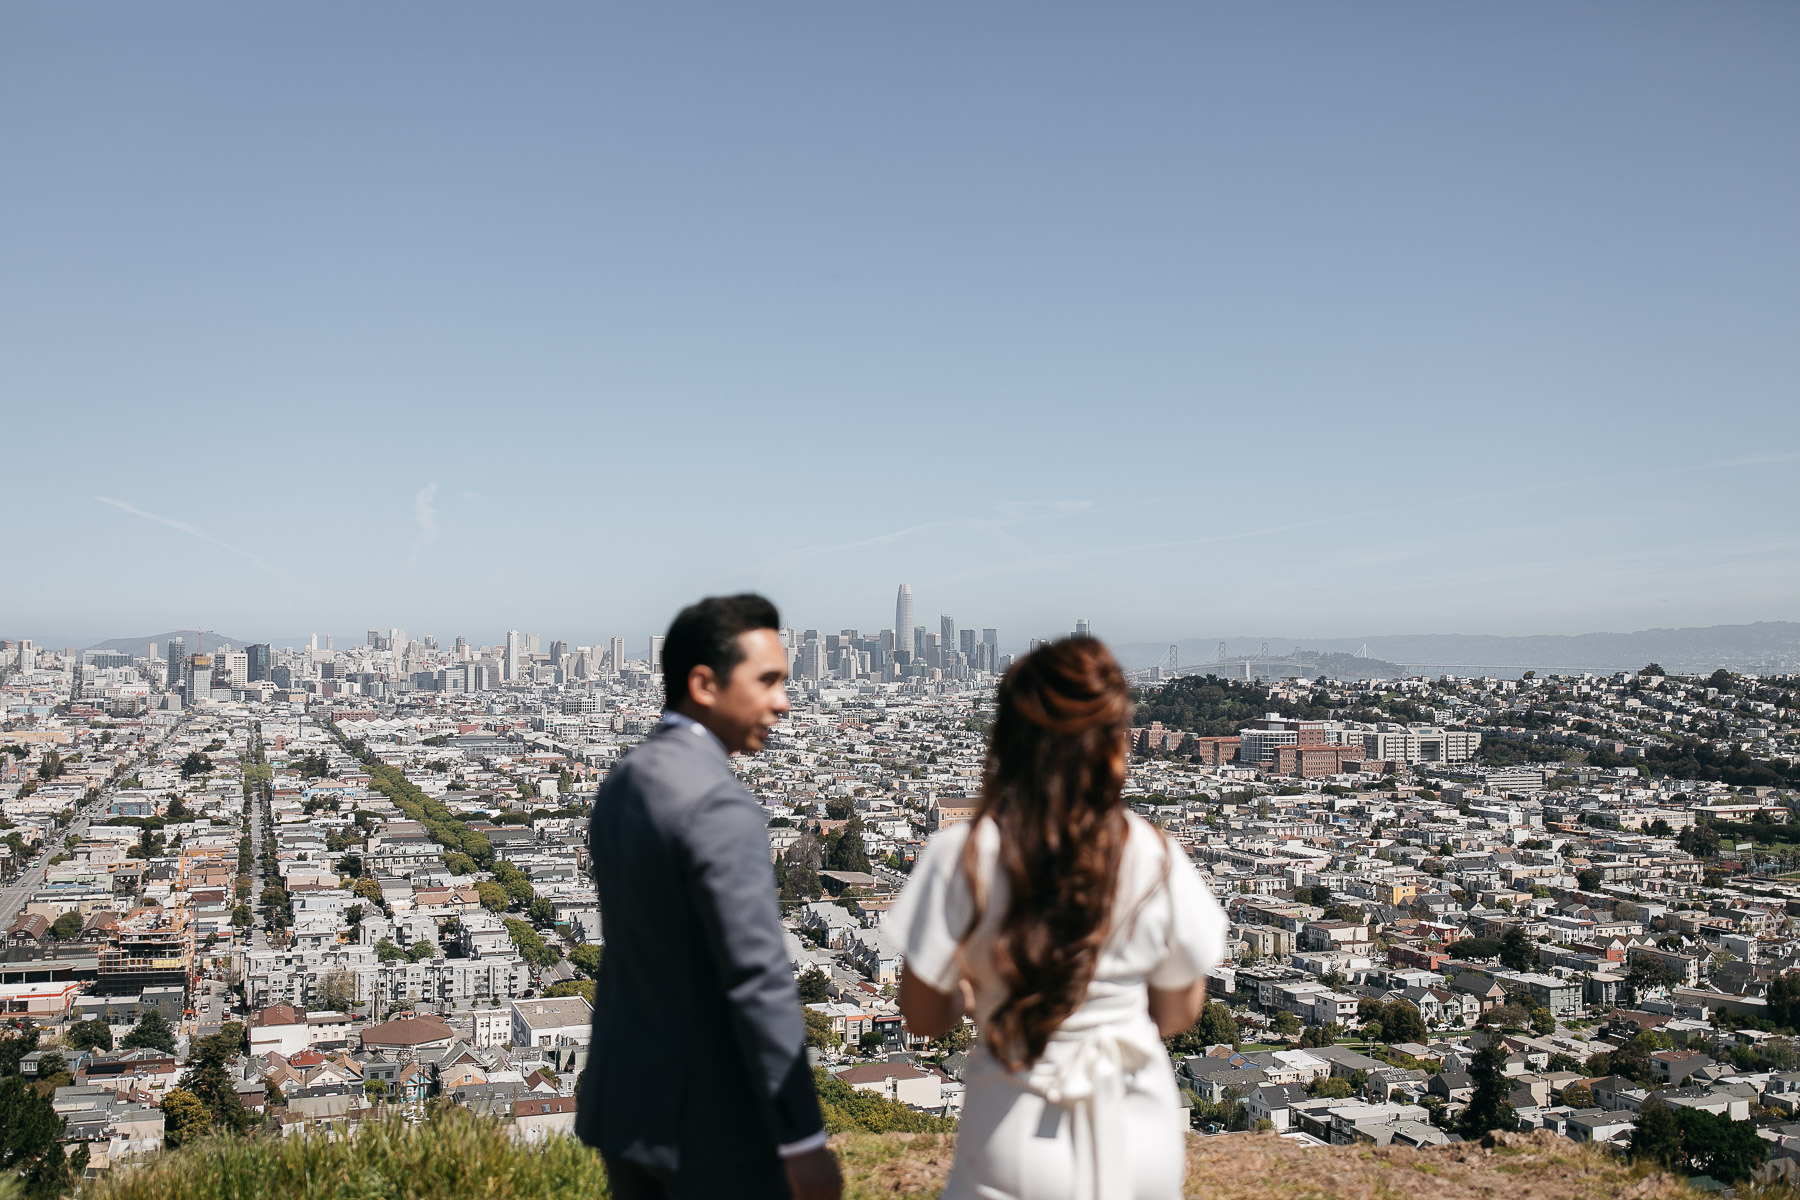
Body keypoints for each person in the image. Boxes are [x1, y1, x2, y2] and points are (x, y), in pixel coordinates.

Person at [887, 637, 1227, 1200]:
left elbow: (922, 1016)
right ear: (1114, 743)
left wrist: (981, 995)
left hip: (1014, 1129)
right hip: (1137, 1132)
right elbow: (1177, 1011)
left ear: (1008, 739)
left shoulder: (963, 857)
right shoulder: (1155, 855)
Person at [578, 594, 842, 1200]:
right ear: (703, 684)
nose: (783, 701)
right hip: (710, 1126)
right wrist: (802, 1138)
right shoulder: (718, 805)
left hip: (624, 1104)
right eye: (768, 681)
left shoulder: (626, 777)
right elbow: (757, 979)